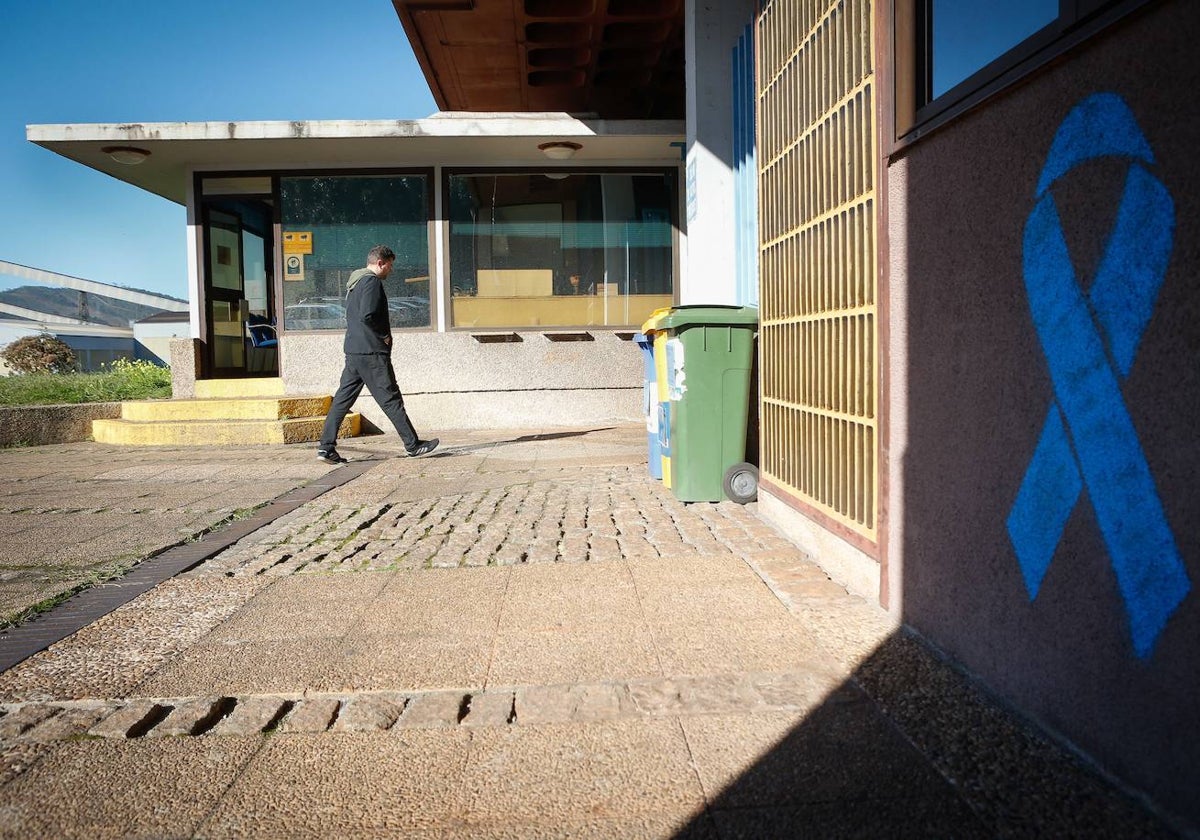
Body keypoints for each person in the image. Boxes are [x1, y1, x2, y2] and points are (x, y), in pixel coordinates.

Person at [316, 245, 438, 464]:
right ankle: (413, 445)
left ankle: (326, 448)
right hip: (371, 352)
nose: (391, 270)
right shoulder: (371, 282)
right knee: (391, 399)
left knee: (342, 400)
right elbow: (368, 315)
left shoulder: (354, 283)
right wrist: (384, 336)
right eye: (390, 265)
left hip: (354, 351)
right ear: (380, 262)